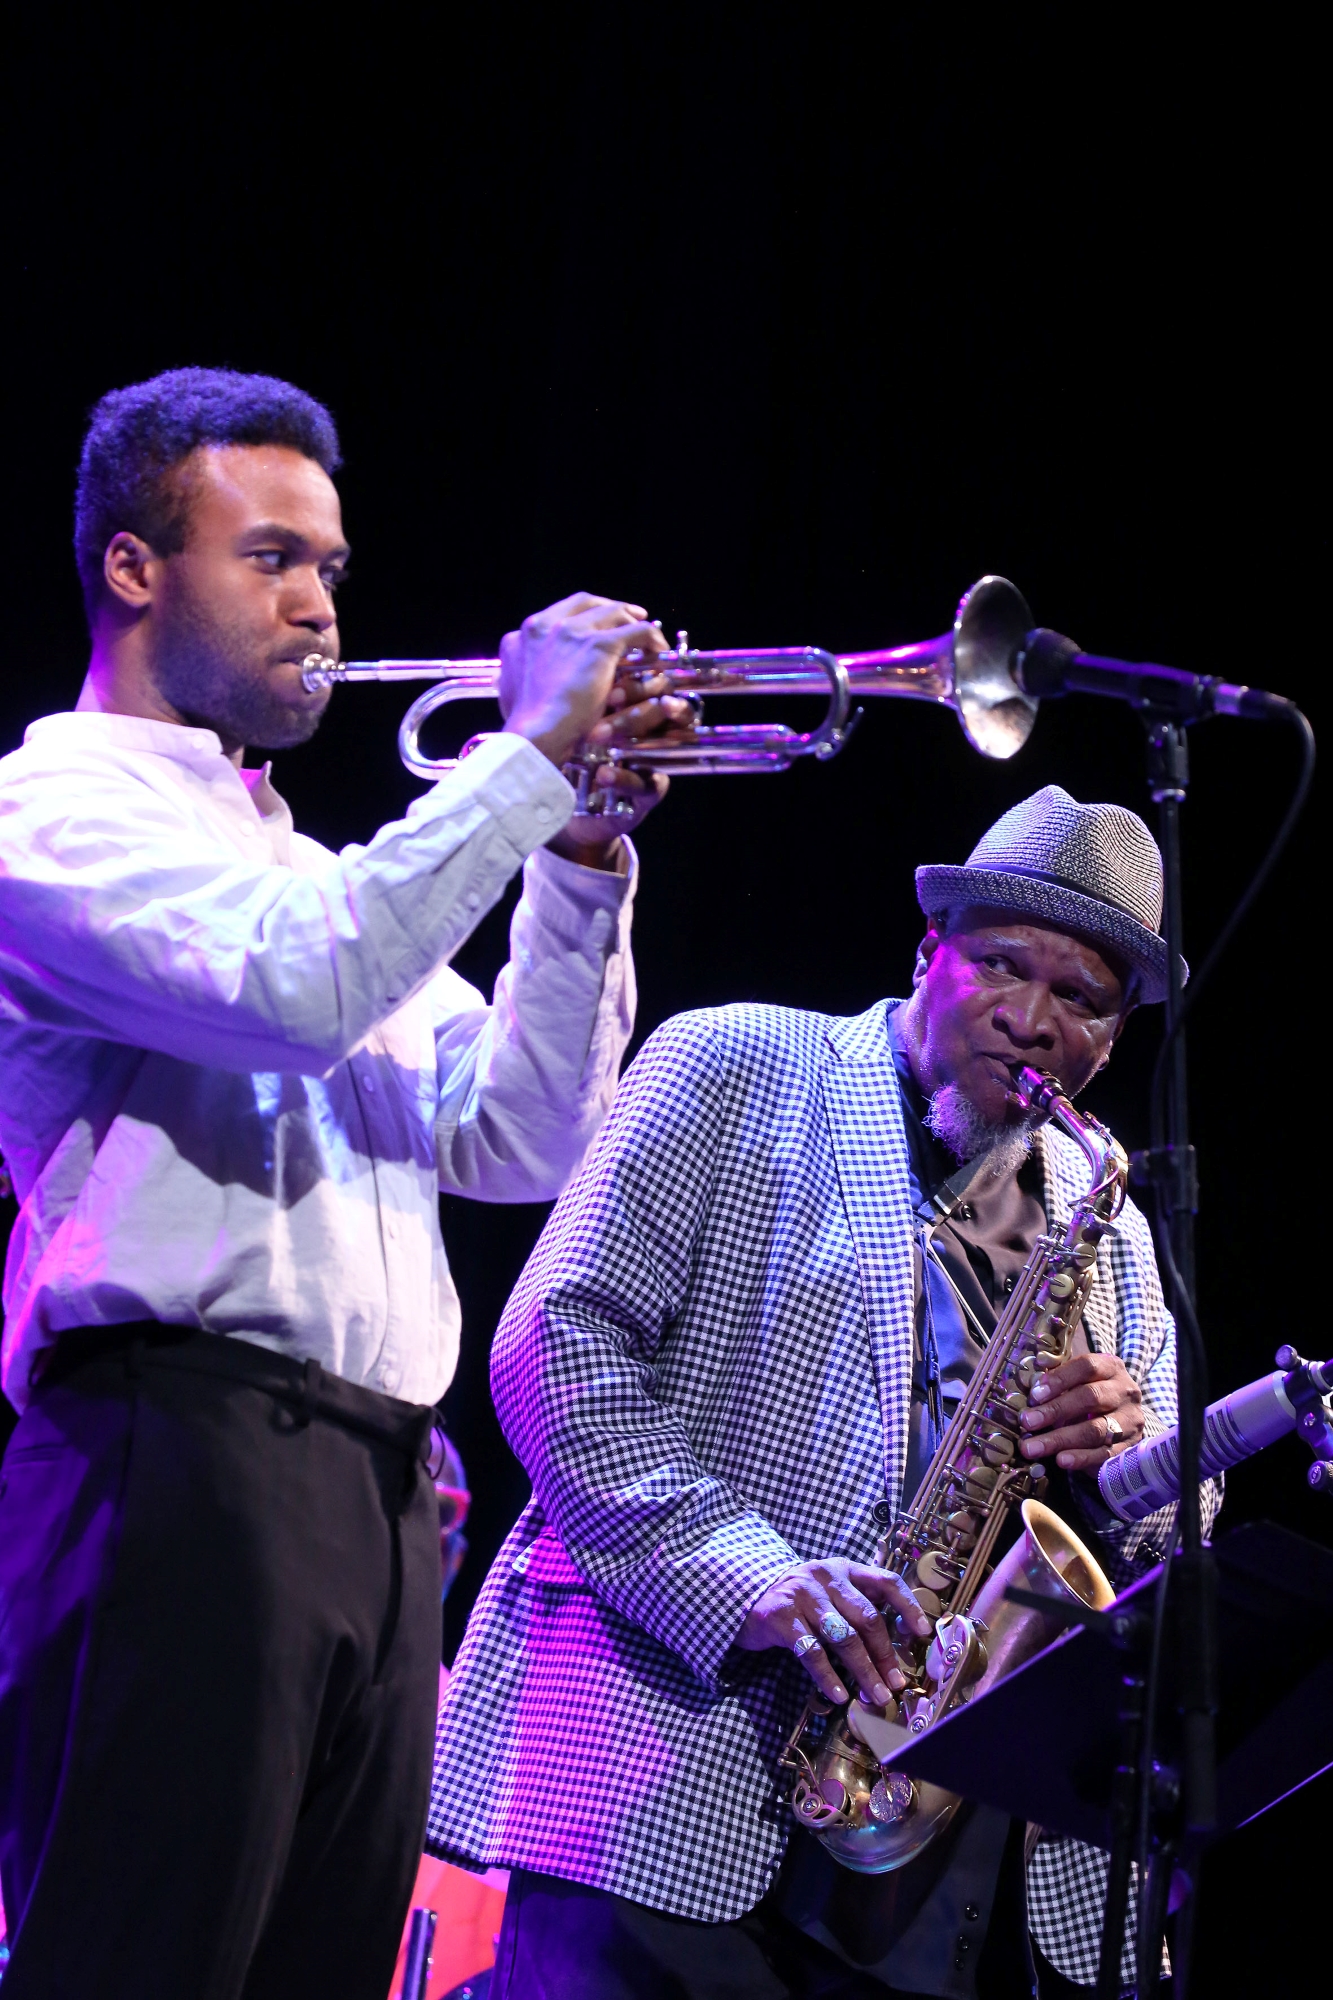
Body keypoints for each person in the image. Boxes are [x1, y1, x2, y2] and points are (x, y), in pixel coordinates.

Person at [0, 366, 687, 1999]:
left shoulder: (320, 878)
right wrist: (519, 765)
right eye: (272, 560)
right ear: (132, 568)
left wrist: (579, 857)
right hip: (179, 1456)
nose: (317, 606)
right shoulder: (53, 813)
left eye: (330, 568)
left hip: (379, 1498)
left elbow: (521, 1140)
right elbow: (300, 988)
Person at [427, 786, 1222, 1999]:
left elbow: (1175, 1538)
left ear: (1113, 1037)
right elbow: (555, 1340)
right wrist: (745, 1577)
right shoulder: (735, 1058)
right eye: (1000, 964)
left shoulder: (1103, 1221)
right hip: (668, 1782)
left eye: (1081, 997)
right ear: (927, 952)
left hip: (935, 1851)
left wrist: (1133, 1472)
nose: (1029, 1017)